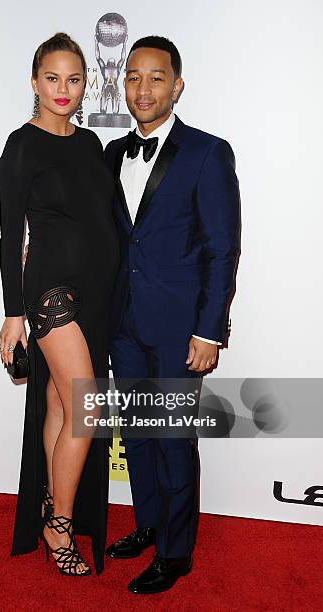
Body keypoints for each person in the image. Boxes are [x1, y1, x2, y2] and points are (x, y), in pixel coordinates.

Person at [104, 36, 241, 594]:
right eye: (133, 77)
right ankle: (149, 524)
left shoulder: (208, 152)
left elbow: (222, 248)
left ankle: (177, 553)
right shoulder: (110, 154)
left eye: (156, 78)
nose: (143, 88)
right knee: (136, 434)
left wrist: (209, 329)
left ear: (177, 86)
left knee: (173, 439)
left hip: (180, 327)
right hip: (123, 325)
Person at [0, 32, 119, 576]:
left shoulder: (90, 144)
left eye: (74, 79)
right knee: (87, 407)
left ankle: (53, 501)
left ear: (85, 83)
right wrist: (12, 313)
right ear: (34, 82)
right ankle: (60, 524)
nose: (63, 89)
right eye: (53, 79)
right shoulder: (21, 146)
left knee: (59, 402)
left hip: (96, 292)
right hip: (51, 292)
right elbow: (8, 237)